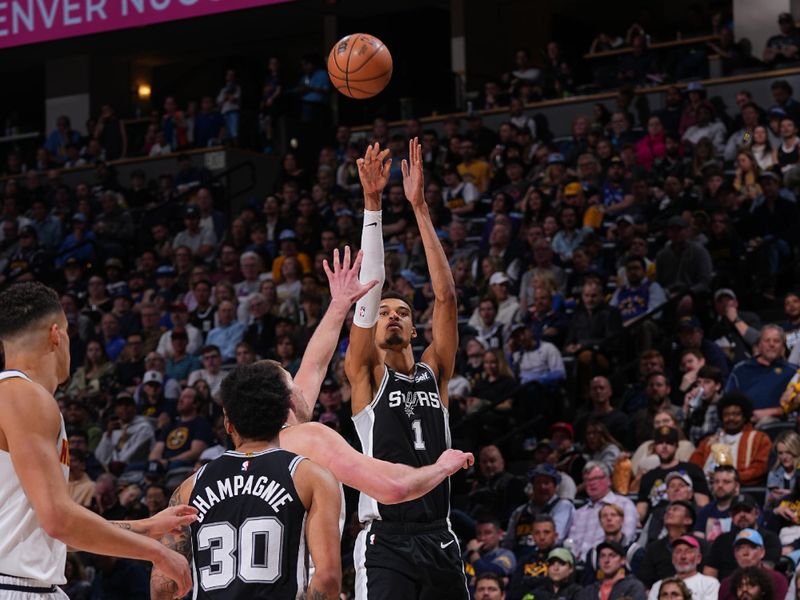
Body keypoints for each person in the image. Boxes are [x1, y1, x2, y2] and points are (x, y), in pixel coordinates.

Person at [0, 281, 195, 597]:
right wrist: (155, 551)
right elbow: (58, 520)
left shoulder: (12, 396)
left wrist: (147, 526)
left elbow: (57, 527)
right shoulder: (24, 396)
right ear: (56, 335)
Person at [344, 140, 468, 599]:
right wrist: (372, 204)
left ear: (415, 330)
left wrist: (419, 208)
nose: (392, 315)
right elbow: (366, 294)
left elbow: (447, 299)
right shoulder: (366, 375)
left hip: (439, 532)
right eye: (384, 312)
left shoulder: (435, 371)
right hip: (386, 540)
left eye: (402, 312)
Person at [149, 360, 342, 600]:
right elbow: (328, 579)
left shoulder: (189, 488)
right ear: (283, 413)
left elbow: (162, 585)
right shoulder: (311, 476)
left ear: (228, 424)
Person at [690, 392, 772, 486]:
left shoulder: (759, 438)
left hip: (740, 489)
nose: (731, 418)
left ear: (744, 416)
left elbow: (760, 468)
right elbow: (693, 466)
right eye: (726, 415)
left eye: (736, 414)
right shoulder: (708, 441)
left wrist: (731, 478)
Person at [565, 461, 638, 560]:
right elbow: (570, 542)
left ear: (609, 481)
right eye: (587, 480)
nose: (592, 483)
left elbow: (626, 538)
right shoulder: (579, 513)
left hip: (607, 561)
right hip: (578, 565)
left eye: (596, 478)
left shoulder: (624, 504)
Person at [704, 496, 782, 580]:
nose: (742, 515)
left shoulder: (770, 539)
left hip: (758, 585)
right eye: (737, 511)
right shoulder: (721, 540)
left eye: (747, 510)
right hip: (725, 588)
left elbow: (766, 571)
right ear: (731, 516)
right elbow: (710, 571)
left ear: (757, 513)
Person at [716, 529, 788, 600]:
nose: (745, 553)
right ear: (735, 554)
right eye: (740, 548)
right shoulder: (726, 584)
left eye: (752, 547)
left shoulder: (777, 580)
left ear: (762, 552)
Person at [646, 535, 719, 600]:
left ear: (698, 558)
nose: (683, 556)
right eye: (678, 552)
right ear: (672, 558)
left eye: (688, 552)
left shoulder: (710, 584)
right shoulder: (658, 586)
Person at [576, 541, 647, 600]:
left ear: (622, 560)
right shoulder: (589, 591)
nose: (606, 560)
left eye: (612, 555)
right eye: (602, 556)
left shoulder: (633, 588)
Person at [694, 465, 740, 541]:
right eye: (716, 481)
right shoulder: (705, 511)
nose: (720, 485)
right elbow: (698, 542)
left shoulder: (744, 509)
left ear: (737, 486)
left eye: (726, 482)